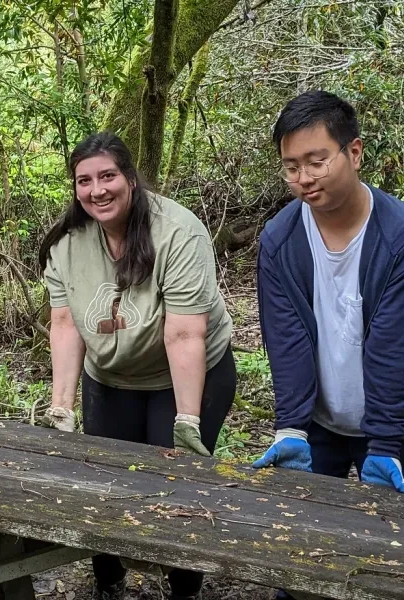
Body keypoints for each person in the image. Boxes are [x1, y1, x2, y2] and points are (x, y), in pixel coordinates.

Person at [39, 132, 236, 600]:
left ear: (130, 178)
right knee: (104, 483)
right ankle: (108, 580)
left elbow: (184, 332)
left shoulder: (177, 231)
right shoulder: (68, 243)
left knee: (178, 484)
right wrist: (61, 407)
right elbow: (65, 325)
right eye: (84, 180)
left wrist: (186, 419)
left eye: (107, 176)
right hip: (111, 376)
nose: (97, 190)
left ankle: (184, 587)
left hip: (184, 374)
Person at [251, 91, 404, 496]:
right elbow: (288, 340)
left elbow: (393, 342)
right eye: (291, 168)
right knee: (311, 538)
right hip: (317, 425)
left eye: (316, 162)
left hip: (398, 425)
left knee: (403, 539)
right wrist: (290, 426)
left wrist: (386, 444)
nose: (303, 179)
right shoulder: (279, 241)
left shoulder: (401, 236)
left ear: (354, 153)